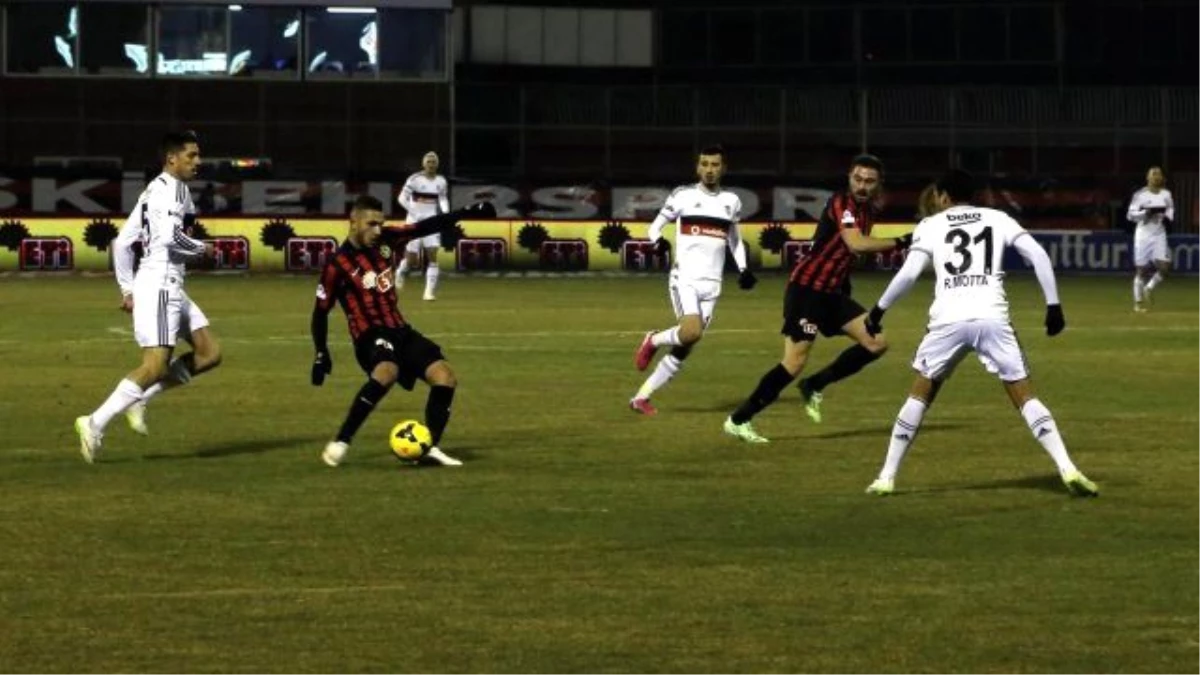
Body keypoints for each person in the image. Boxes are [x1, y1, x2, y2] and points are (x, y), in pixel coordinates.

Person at [861, 169, 1098, 497]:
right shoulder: (997, 218)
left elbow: (908, 274)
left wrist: (877, 312)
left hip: (948, 320)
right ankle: (1067, 467)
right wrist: (1053, 305)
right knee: (1024, 395)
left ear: (942, 196)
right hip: (992, 317)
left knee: (920, 394)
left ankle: (886, 477)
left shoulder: (931, 225)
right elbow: (1038, 254)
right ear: (973, 195)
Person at [723, 154, 910, 442]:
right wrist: (902, 241)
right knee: (794, 362)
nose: (862, 185)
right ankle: (739, 419)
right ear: (849, 178)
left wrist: (844, 283)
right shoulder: (842, 203)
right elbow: (855, 243)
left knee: (876, 343)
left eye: (869, 181)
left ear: (878, 185)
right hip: (807, 290)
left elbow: (848, 252)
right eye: (857, 179)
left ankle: (815, 385)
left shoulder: (867, 211)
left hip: (832, 292)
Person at [312, 195, 494, 467]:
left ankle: (428, 446)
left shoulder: (389, 239)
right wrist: (321, 353)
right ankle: (342, 440)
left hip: (399, 329)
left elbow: (426, 226)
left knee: (444, 377)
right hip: (368, 334)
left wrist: (466, 211)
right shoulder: (336, 264)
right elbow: (320, 312)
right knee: (387, 371)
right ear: (353, 222)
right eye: (371, 224)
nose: (377, 230)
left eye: (380, 224)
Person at [75, 130, 220, 462]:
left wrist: (127, 288)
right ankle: (94, 422)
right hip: (159, 284)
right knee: (154, 365)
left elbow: (123, 242)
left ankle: (140, 398)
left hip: (169, 284)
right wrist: (203, 248)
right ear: (172, 158)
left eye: (199, 155)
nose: (199, 161)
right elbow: (170, 240)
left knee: (209, 353)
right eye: (191, 155)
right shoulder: (167, 193)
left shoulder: (160, 190)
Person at [629, 145, 756, 416]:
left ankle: (641, 397)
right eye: (705, 164)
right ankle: (652, 340)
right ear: (698, 167)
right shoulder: (683, 195)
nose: (710, 169)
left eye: (715, 164)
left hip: (713, 286)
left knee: (685, 348)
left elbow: (733, 238)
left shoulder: (731, 201)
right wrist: (658, 241)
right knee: (691, 332)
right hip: (684, 278)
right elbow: (654, 226)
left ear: (724, 168)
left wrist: (743, 268)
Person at [396, 151, 450, 301]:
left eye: (434, 162)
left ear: (437, 164)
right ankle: (401, 271)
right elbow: (401, 198)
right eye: (429, 162)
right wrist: (414, 212)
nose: (431, 164)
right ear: (423, 164)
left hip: (431, 221)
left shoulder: (441, 181)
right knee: (412, 260)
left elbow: (443, 199)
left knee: (432, 256)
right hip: (414, 221)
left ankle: (428, 293)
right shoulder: (414, 179)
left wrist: (445, 213)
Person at [1127, 166, 1174, 312]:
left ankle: (1149, 287)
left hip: (1159, 234)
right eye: (1153, 174)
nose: (1156, 177)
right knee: (1141, 270)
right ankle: (1138, 303)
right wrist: (1146, 213)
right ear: (1148, 178)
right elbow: (1130, 215)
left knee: (1165, 267)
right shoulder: (1140, 195)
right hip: (1143, 235)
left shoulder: (1166, 194)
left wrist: (1166, 215)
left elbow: (1171, 210)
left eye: (1158, 174)